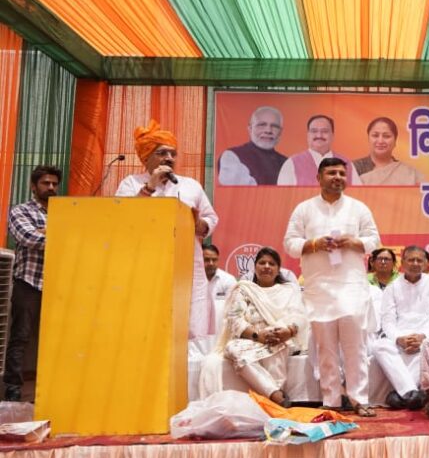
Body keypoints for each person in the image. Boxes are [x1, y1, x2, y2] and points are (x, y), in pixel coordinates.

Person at [283, 157, 381, 417]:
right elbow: (290, 244)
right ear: (318, 177)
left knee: (355, 346)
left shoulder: (358, 208)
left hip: (351, 285)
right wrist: (314, 244)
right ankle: (331, 399)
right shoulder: (304, 209)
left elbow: (374, 240)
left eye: (341, 173)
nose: (337, 177)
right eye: (331, 173)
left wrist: (353, 242)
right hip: (319, 287)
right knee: (324, 347)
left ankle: (359, 399)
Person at [116, 121, 219, 340]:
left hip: (187, 264)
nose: (169, 158)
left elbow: (211, 218)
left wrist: (199, 224)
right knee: (149, 324)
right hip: (146, 264)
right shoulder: (131, 183)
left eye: (173, 154)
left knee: (191, 325)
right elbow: (123, 218)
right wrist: (150, 187)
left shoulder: (191, 185)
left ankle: (190, 362)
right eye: (162, 153)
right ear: (146, 157)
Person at [206, 247, 306, 406]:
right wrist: (258, 335)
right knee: (233, 349)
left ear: (278, 269)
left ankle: (273, 397)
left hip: (282, 338)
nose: (266, 266)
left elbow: (299, 316)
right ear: (255, 267)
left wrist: (287, 331)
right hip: (252, 339)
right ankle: (275, 394)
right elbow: (235, 319)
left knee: (276, 344)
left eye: (271, 264)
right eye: (262, 263)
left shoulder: (289, 290)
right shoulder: (244, 289)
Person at [3, 166, 60, 401]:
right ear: (33, 186)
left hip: (58, 284)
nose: (51, 187)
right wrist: (59, 233)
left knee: (56, 337)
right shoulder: (20, 210)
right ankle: (13, 389)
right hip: (28, 282)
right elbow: (28, 238)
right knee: (21, 336)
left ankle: (50, 388)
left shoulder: (65, 211)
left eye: (54, 184)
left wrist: (47, 231)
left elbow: (79, 236)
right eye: (46, 183)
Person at [372, 246, 429, 410]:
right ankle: (411, 391)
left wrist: (422, 336)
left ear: (426, 263)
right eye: (411, 260)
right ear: (403, 262)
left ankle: (400, 395)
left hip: (425, 335)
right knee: (379, 346)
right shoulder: (392, 288)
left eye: (419, 260)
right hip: (400, 337)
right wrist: (399, 339)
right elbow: (387, 321)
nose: (415, 263)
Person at [277, 115, 361, 186]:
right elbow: (282, 196)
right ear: (308, 135)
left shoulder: (347, 164)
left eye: (325, 131)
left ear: (332, 135)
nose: (319, 135)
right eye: (314, 131)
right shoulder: (291, 164)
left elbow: (358, 194)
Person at [218, 106, 287, 185]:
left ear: (280, 132)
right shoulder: (232, 156)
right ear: (250, 129)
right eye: (261, 125)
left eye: (275, 126)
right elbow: (243, 190)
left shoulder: (287, 163)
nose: (268, 130)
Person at [351, 117, 424, 186]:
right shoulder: (353, 168)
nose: (380, 141)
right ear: (368, 139)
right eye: (375, 135)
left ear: (395, 141)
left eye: (386, 136)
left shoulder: (410, 174)